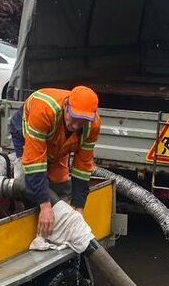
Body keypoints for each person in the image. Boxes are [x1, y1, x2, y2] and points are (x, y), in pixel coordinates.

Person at [8, 86, 101, 238]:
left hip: (58, 143)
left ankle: (55, 221)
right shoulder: (44, 110)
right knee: (27, 182)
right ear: (66, 107)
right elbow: (34, 165)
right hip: (26, 131)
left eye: (83, 121)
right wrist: (45, 207)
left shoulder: (93, 125)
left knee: (60, 184)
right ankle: (25, 216)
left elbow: (83, 168)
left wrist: (79, 209)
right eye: (75, 118)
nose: (77, 125)